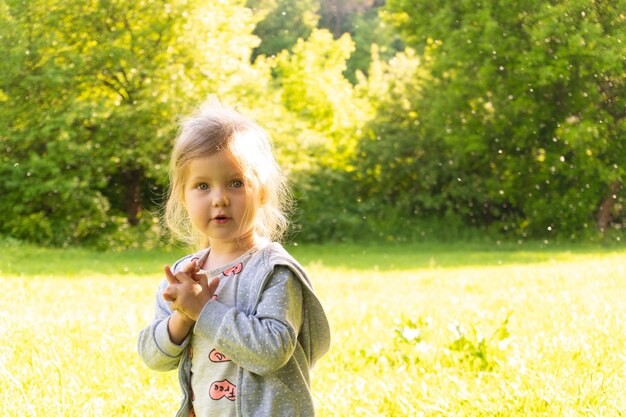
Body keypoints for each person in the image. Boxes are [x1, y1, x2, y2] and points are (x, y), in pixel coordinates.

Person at [138, 98, 331, 417]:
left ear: (263, 191)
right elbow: (153, 356)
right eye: (202, 185)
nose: (220, 198)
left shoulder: (273, 270)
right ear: (183, 197)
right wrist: (184, 316)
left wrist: (203, 309)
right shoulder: (182, 275)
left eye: (236, 183)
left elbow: (271, 351)